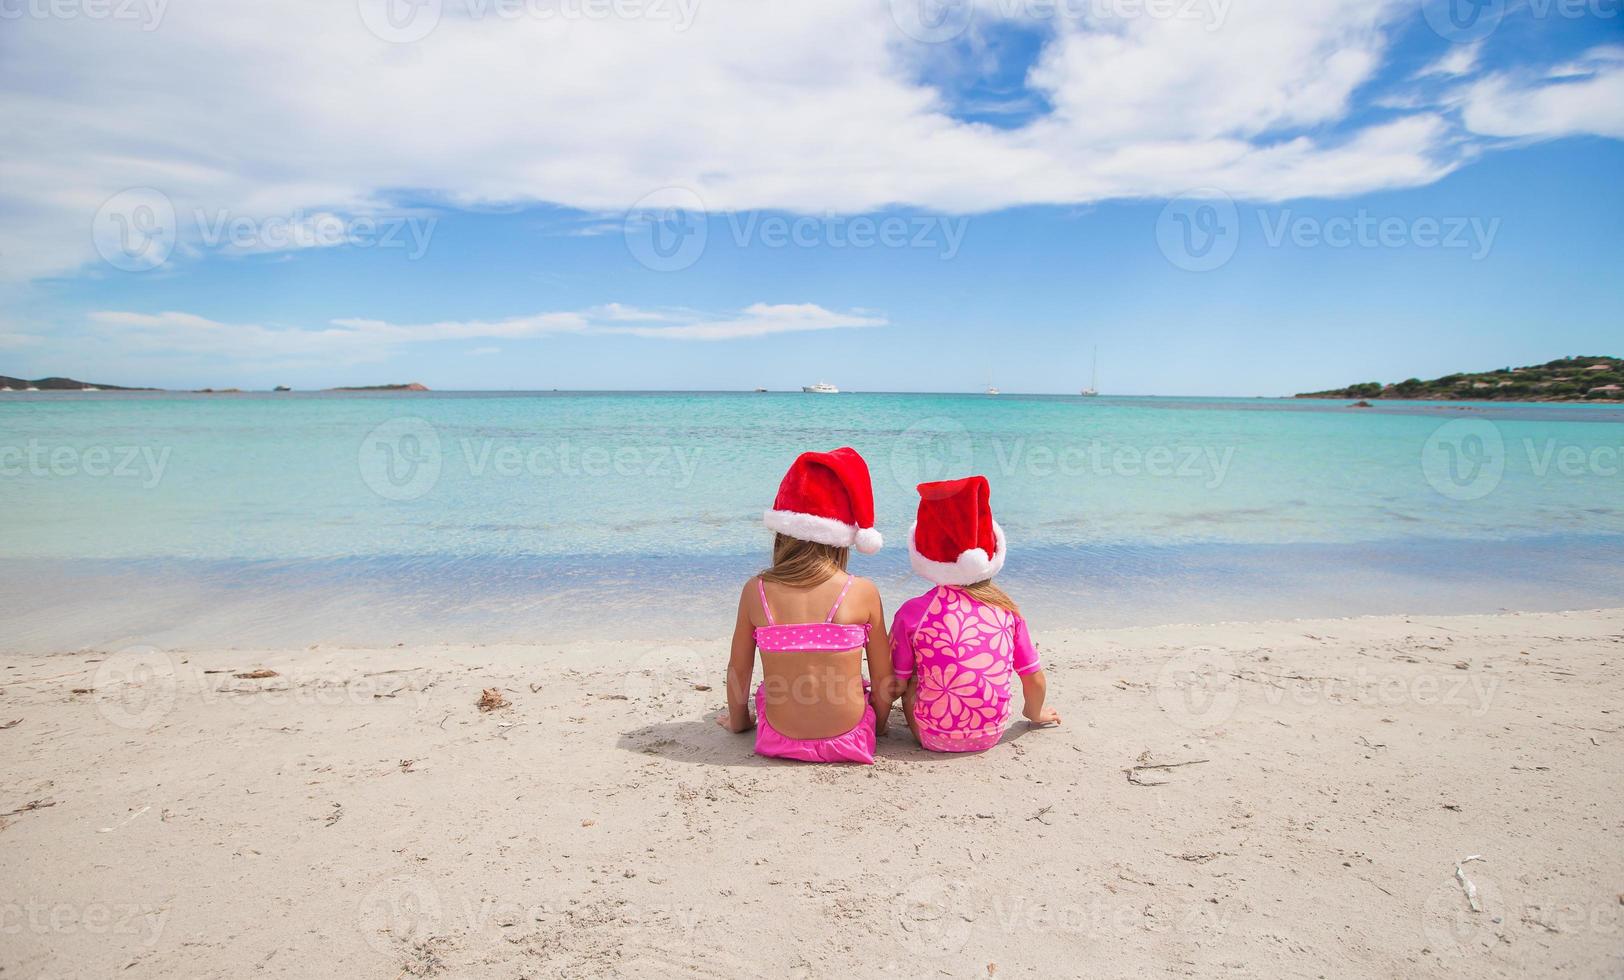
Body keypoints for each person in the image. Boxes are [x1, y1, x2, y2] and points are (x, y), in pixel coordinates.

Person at [717, 447, 893, 764]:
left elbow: (739, 670)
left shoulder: (756, 591)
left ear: (783, 535)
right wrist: (877, 726)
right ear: (842, 539)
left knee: (766, 692)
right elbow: (884, 677)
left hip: (779, 738)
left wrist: (739, 721)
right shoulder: (862, 592)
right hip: (850, 736)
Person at [891, 475, 1059, 753]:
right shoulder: (1007, 611)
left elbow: (895, 684)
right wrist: (1035, 713)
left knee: (912, 672)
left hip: (931, 736)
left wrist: (881, 719)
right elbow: (1034, 678)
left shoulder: (914, 612)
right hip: (991, 734)